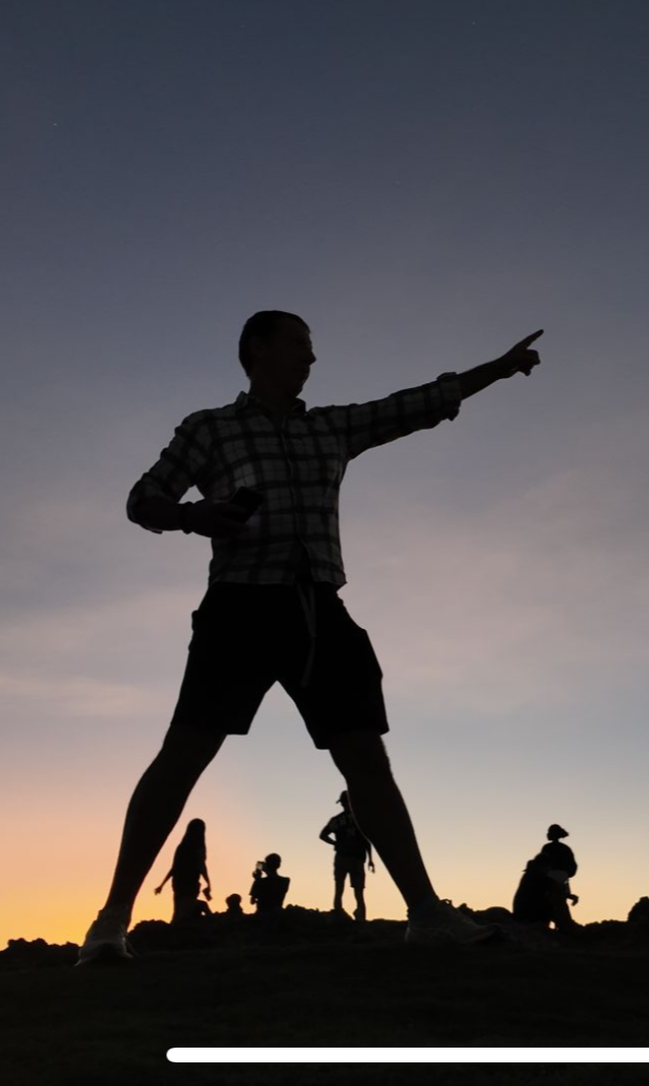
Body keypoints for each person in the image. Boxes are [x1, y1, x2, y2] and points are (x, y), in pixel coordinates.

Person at [77, 311, 543, 963]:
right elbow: (143, 498)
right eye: (300, 344)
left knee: (366, 759)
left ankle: (427, 913)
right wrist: (195, 515)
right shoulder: (209, 427)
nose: (312, 358)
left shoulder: (329, 426)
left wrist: (496, 368)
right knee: (184, 756)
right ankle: (111, 920)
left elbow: (411, 406)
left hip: (321, 609)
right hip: (238, 606)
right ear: (257, 349)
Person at [511, 824, 581, 932]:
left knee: (554, 900)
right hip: (558, 880)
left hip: (556, 879)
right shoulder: (563, 850)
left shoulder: (547, 850)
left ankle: (561, 926)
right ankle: (562, 927)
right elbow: (572, 869)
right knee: (556, 901)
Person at [319, 790, 375, 921]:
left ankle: (338, 915)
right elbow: (367, 841)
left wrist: (335, 843)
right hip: (357, 858)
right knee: (359, 892)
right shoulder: (361, 819)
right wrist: (370, 860)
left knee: (339, 888)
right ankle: (361, 919)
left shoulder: (336, 820)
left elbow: (322, 835)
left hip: (342, 857)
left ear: (342, 803)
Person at [151, 818, 212, 924]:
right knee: (184, 915)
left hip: (177, 884)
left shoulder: (181, 847)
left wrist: (162, 885)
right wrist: (208, 883)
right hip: (190, 884)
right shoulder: (199, 847)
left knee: (178, 912)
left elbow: (174, 868)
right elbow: (201, 865)